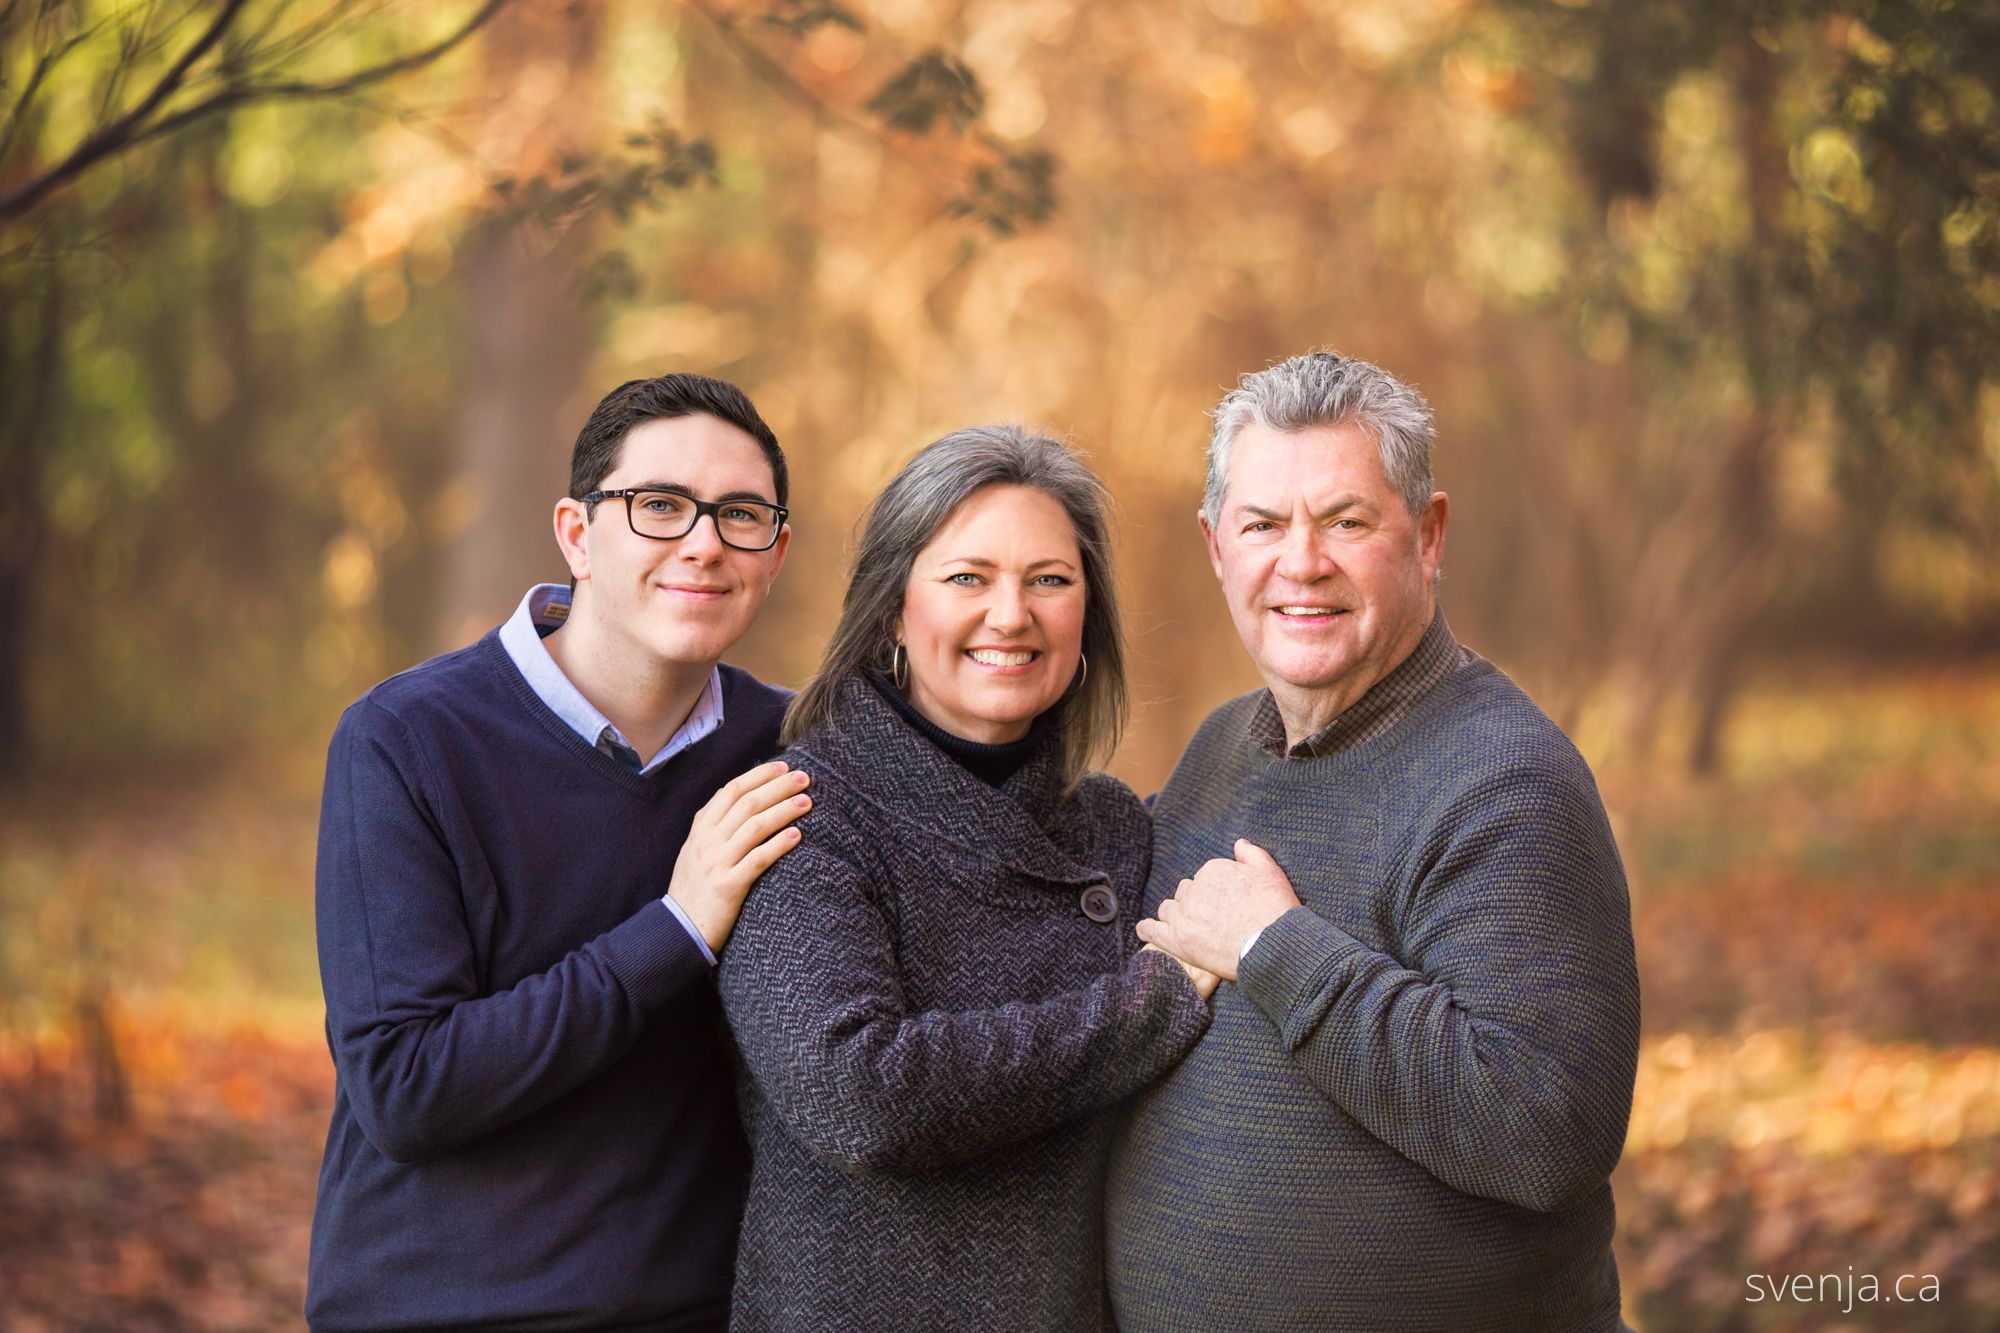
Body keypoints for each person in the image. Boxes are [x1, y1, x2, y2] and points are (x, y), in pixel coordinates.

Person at [1106, 351, 1641, 1331]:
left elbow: (1543, 1129)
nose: (1299, 561)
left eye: (1345, 522)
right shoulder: (1220, 751)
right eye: (1262, 524)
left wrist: (1278, 951)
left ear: (1427, 535)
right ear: (1215, 545)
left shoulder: (1502, 781)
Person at [308, 373, 811, 1331]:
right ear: (578, 535)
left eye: (741, 515)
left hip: (697, 1310)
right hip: (439, 1309)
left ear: (774, 552)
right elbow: (406, 1087)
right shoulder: (407, 742)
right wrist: (678, 926)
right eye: (660, 506)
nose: (703, 543)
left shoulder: (793, 749)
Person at [717, 425, 1217, 1331]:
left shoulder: (1115, 825)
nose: (1012, 614)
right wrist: (1148, 1008)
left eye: (1050, 580)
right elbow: (860, 1096)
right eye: (967, 577)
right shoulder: (804, 816)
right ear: (892, 609)